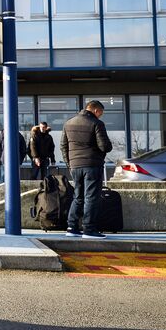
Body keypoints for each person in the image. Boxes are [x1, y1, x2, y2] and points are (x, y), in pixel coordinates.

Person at [61, 99, 113, 238]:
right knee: (91, 197)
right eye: (101, 113)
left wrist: (69, 164)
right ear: (96, 110)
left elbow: (63, 146)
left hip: (75, 166)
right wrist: (109, 145)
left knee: (78, 196)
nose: (101, 116)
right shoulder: (97, 123)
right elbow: (104, 146)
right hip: (92, 165)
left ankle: (72, 227)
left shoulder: (68, 123)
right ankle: (89, 229)